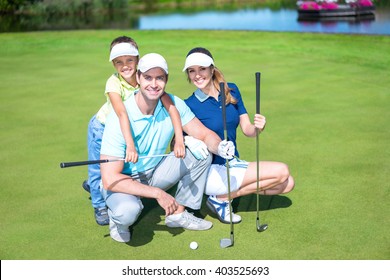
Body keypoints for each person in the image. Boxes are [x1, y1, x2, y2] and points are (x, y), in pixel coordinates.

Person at [100, 53, 235, 243]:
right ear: (138, 78)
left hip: (155, 172)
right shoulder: (119, 116)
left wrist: (220, 146)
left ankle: (178, 213)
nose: (154, 84)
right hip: (124, 182)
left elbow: (203, 134)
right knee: (127, 212)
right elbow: (110, 178)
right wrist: (158, 194)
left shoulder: (173, 103)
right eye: (148, 77)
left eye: (159, 78)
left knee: (201, 154)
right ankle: (117, 220)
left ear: (166, 80)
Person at [182, 47, 295, 224]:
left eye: (202, 69)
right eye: (191, 71)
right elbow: (178, 141)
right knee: (282, 171)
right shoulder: (189, 105)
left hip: (233, 162)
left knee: (287, 184)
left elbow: (247, 129)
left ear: (212, 69)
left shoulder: (231, 90)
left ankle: (221, 197)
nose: (197, 75)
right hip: (211, 170)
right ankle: (220, 198)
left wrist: (258, 128)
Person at [84, 36, 185, 226]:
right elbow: (122, 114)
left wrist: (178, 138)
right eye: (119, 62)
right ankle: (99, 204)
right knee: (99, 168)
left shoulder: (145, 79)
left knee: (114, 170)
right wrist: (130, 145)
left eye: (129, 60)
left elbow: (170, 106)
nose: (125, 66)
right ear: (113, 64)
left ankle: (103, 187)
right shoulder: (113, 83)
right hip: (102, 127)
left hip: (125, 128)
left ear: (137, 61)